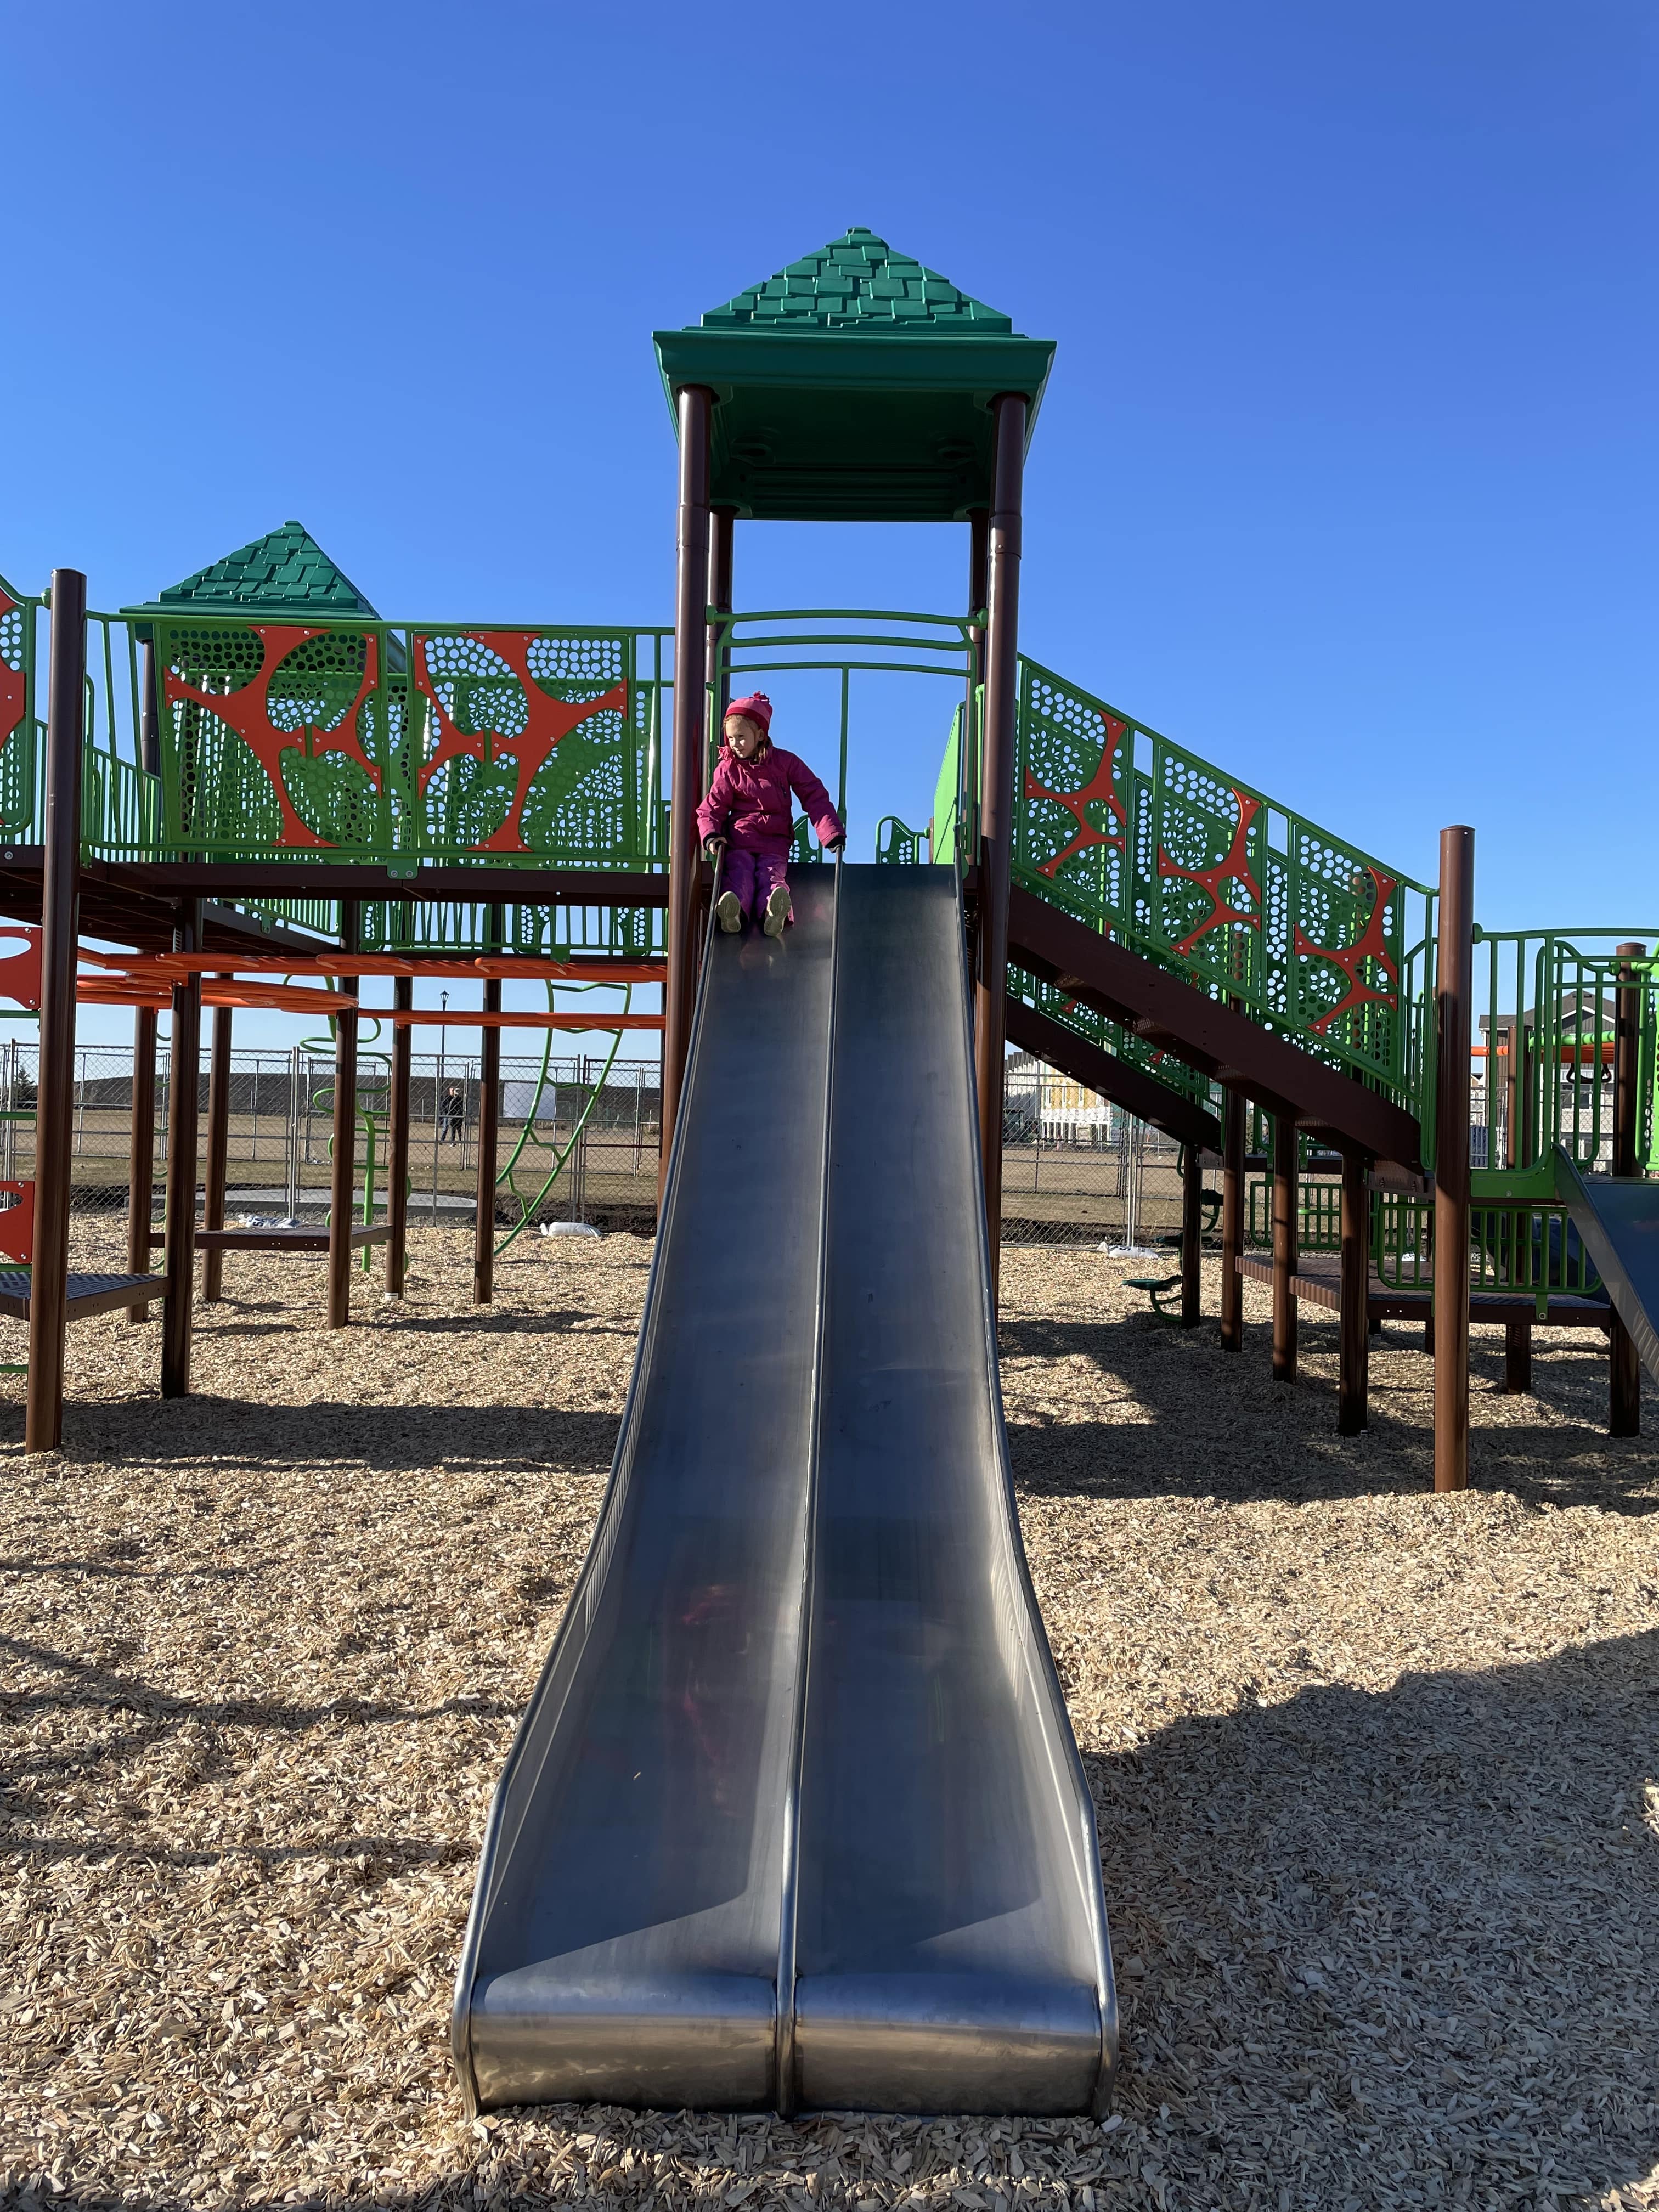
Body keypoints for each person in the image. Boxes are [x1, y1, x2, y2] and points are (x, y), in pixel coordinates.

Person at [695, 693, 845, 938]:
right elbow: (713, 805)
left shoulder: (785, 763)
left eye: (741, 737)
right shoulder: (729, 769)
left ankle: (775, 911)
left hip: (774, 843)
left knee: (771, 874)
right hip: (740, 841)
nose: (735, 744)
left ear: (761, 735)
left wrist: (831, 833)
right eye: (731, 738)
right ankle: (733, 911)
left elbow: (813, 794)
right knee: (739, 872)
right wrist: (711, 834)